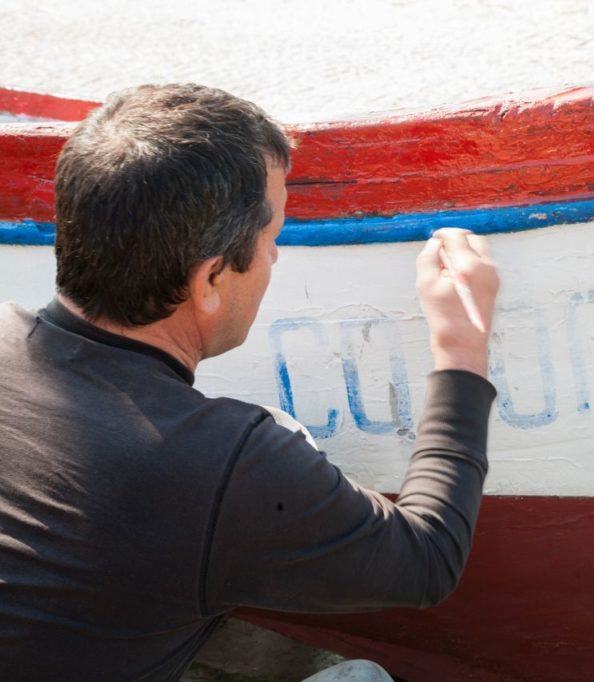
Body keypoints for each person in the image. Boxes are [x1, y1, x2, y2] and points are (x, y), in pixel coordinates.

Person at [0, 83, 499, 680]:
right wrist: (461, 353)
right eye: (272, 239)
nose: (276, 260)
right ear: (211, 278)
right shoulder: (222, 462)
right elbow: (427, 560)